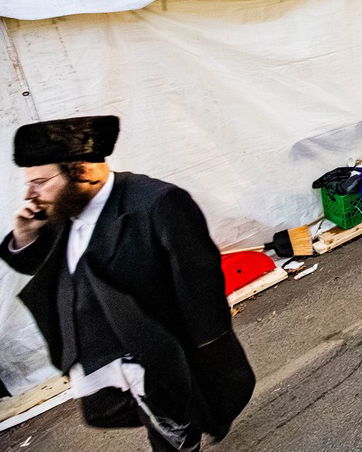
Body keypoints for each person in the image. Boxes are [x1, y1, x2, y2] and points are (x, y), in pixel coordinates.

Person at [3, 116, 256, 451]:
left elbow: (201, 287)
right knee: (139, 413)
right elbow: (46, 265)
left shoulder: (157, 203)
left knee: (169, 423)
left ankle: (180, 429)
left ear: (81, 169)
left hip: (151, 352)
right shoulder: (66, 205)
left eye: (39, 182)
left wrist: (206, 359)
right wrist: (24, 236)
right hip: (102, 355)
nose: (30, 195)